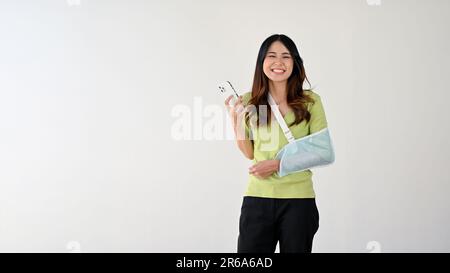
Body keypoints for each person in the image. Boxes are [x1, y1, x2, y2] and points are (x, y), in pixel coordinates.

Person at [224, 34, 333, 253]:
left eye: (286, 56)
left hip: (298, 200)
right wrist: (235, 120)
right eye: (271, 56)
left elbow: (324, 152)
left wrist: (276, 165)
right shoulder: (248, 101)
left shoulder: (310, 102)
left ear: (295, 62)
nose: (279, 62)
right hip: (257, 197)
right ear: (261, 62)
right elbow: (249, 152)